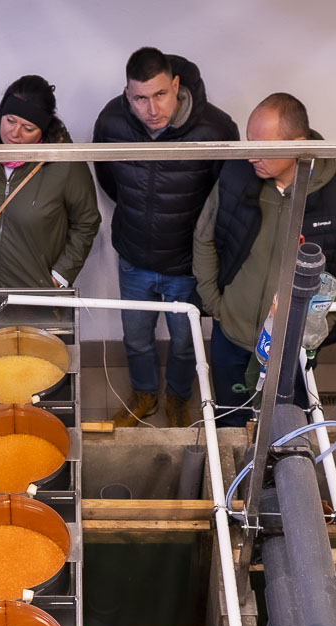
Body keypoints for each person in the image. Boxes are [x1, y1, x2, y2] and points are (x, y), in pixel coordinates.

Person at [192, 93, 336, 427]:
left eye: (262, 147)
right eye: (249, 143)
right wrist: (215, 303)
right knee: (230, 418)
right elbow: (204, 238)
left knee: (286, 426)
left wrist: (316, 326)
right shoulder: (236, 174)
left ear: (298, 145)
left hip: (291, 348)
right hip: (231, 334)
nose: (251, 156)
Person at [93, 47, 238, 428]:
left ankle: (178, 397)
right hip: (134, 256)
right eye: (140, 98)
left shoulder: (216, 128)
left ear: (176, 85)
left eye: (160, 94)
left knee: (185, 342)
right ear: (127, 94)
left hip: (187, 264)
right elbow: (109, 181)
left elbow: (224, 195)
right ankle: (145, 394)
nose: (152, 109)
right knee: (136, 337)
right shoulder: (111, 122)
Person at [0, 75, 101, 289]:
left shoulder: (64, 159)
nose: (15, 134)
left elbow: (87, 220)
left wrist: (60, 276)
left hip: (35, 291)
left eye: (28, 128)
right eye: (10, 120)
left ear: (43, 130)